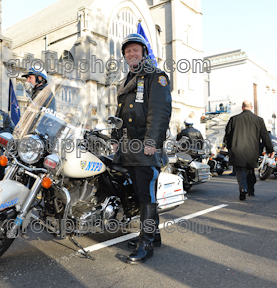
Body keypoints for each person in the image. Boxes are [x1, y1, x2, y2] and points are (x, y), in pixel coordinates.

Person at [112, 33, 172, 264]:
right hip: (128, 147)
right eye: (128, 52)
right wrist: (115, 137)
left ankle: (145, 243)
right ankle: (153, 234)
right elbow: (120, 115)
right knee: (139, 194)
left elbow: (159, 112)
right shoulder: (128, 79)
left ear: (144, 52)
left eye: (135, 50)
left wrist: (151, 142)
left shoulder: (155, 76)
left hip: (145, 147)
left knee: (146, 196)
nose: (131, 54)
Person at [224, 100, 274, 201]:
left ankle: (243, 188)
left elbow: (227, 135)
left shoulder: (234, 119)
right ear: (251, 108)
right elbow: (265, 136)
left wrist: (229, 148)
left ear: (242, 107)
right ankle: (251, 189)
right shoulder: (258, 120)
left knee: (240, 170)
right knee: (250, 170)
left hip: (237, 149)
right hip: (252, 150)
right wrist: (270, 150)